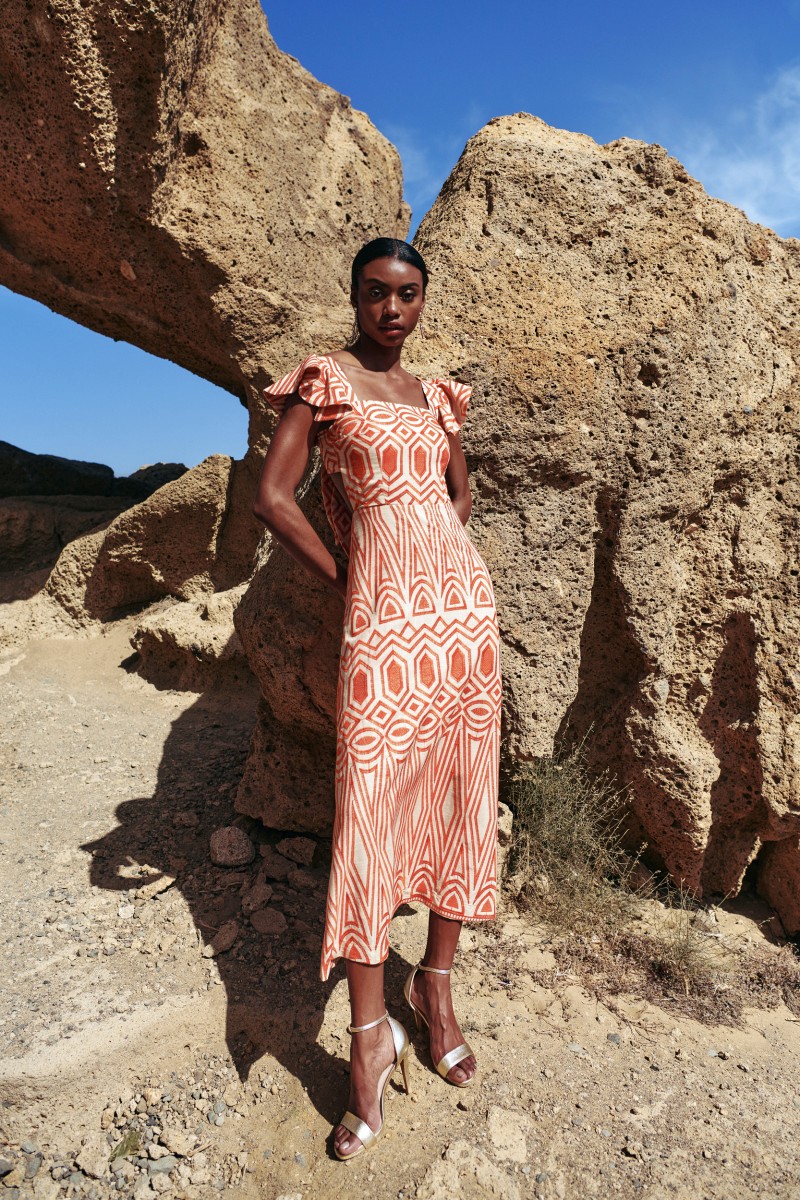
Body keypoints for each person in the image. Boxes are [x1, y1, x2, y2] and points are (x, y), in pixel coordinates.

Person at [253, 237, 502, 1161]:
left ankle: (435, 988)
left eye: (406, 294)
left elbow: (457, 494)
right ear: (354, 300)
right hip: (382, 634)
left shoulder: (440, 397)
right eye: (375, 294)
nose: (391, 309)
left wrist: (440, 558)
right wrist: (355, 573)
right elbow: (275, 498)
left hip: (464, 627)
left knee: (455, 804)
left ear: (422, 301)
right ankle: (368, 1042)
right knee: (369, 819)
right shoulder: (327, 384)